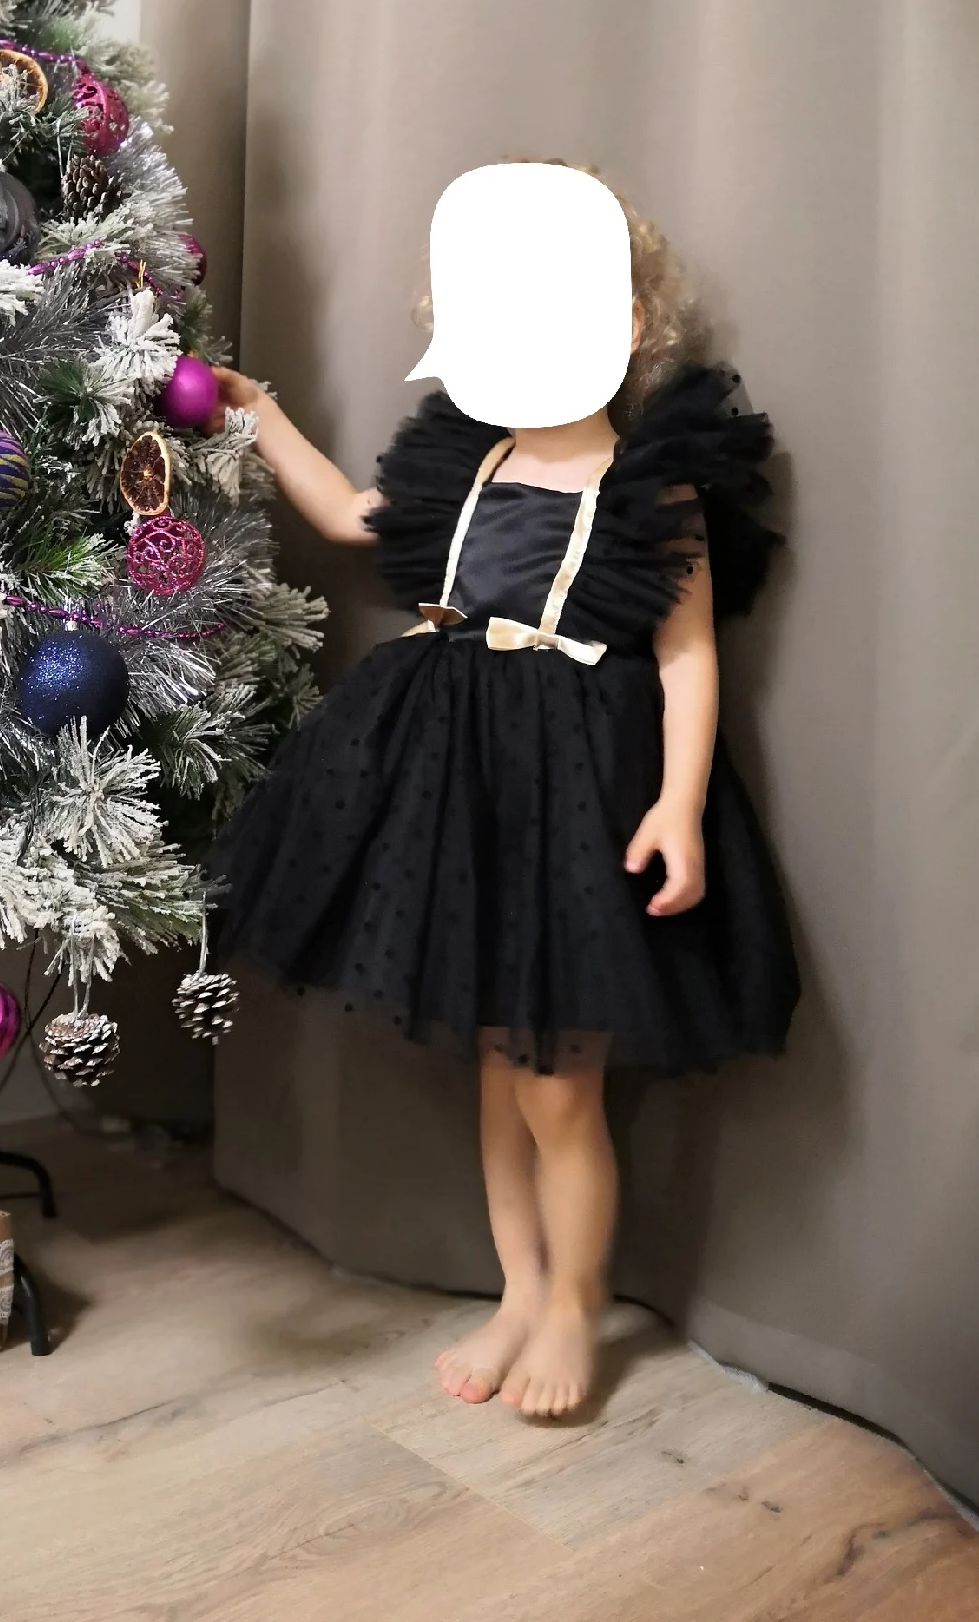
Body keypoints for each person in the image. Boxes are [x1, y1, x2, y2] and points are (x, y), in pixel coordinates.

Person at [203, 166, 798, 1420]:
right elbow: (349, 514)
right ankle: (520, 1286)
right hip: (457, 779)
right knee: (496, 1062)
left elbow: (689, 657)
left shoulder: (651, 483)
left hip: (579, 788)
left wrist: (678, 805)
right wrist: (259, 413)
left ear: (624, 323)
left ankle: (577, 1298)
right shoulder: (466, 464)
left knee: (557, 1082)